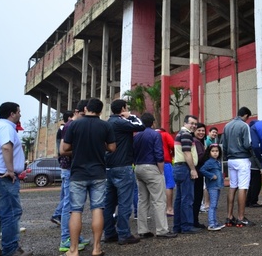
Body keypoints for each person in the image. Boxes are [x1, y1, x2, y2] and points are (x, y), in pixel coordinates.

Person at [61, 98, 116, 256]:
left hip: (78, 173)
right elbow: (112, 147)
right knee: (98, 208)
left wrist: (77, 148)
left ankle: (73, 250)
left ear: (85, 108)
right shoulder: (105, 125)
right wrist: (101, 145)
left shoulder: (74, 124)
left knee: (76, 211)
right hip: (98, 173)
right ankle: (97, 248)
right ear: (100, 111)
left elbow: (64, 148)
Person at [103, 99, 145, 245]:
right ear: (122, 109)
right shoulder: (120, 122)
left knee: (109, 203)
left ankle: (109, 232)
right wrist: (131, 116)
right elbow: (141, 126)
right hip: (123, 165)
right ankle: (124, 234)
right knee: (124, 202)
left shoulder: (107, 123)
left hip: (109, 167)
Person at [133, 112, 177, 239]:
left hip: (139, 167)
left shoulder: (136, 136)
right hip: (152, 167)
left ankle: (142, 229)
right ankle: (162, 230)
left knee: (142, 200)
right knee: (159, 200)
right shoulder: (155, 134)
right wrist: (161, 171)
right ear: (153, 123)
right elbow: (159, 153)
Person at [0, 102, 33, 256]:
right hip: (4, 177)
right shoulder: (6, 128)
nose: (20, 115)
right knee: (11, 213)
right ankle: (11, 250)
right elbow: (6, 147)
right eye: (19, 112)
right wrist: (10, 170)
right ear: (12, 113)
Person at [55, 103, 91, 253]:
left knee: (73, 205)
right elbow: (63, 150)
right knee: (69, 205)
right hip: (70, 169)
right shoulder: (70, 126)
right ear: (77, 112)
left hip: (73, 169)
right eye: (83, 115)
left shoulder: (74, 125)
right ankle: (65, 239)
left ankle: (74, 237)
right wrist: (81, 150)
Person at [222, 106, 255, 227]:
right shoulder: (244, 125)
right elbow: (247, 144)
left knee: (232, 186)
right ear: (246, 116)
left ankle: (229, 217)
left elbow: (223, 145)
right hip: (242, 159)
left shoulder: (227, 125)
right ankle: (241, 218)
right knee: (243, 187)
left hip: (231, 160)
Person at [173, 115, 200, 234]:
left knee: (179, 198)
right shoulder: (186, 134)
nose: (194, 126)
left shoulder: (180, 134)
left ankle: (177, 226)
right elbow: (187, 152)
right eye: (191, 123)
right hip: (184, 168)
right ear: (185, 123)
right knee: (187, 198)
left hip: (178, 167)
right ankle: (187, 226)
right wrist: (193, 169)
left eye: (195, 124)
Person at [51, 111, 73, 227]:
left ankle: (59, 215)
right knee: (67, 197)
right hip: (67, 165)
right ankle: (57, 214)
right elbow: (62, 149)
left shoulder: (62, 129)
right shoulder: (64, 129)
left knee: (64, 194)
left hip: (64, 165)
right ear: (69, 117)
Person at [199, 144, 225, 230]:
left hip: (217, 186)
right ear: (209, 152)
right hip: (212, 186)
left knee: (214, 205)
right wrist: (211, 175)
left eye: (216, 151)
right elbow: (202, 170)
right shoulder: (209, 162)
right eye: (213, 151)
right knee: (212, 205)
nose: (215, 153)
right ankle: (211, 224)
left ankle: (214, 222)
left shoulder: (216, 161)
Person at [154, 126, 175, 216]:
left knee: (156, 188)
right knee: (169, 185)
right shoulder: (165, 134)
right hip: (165, 161)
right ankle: (169, 209)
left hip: (152, 164)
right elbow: (173, 145)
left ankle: (158, 210)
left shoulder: (151, 135)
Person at [191, 122, 207, 229]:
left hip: (199, 173)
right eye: (199, 130)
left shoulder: (199, 142)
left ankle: (194, 220)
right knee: (196, 198)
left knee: (197, 197)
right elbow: (199, 158)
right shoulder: (196, 142)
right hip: (197, 173)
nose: (201, 132)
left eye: (203, 130)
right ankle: (194, 221)